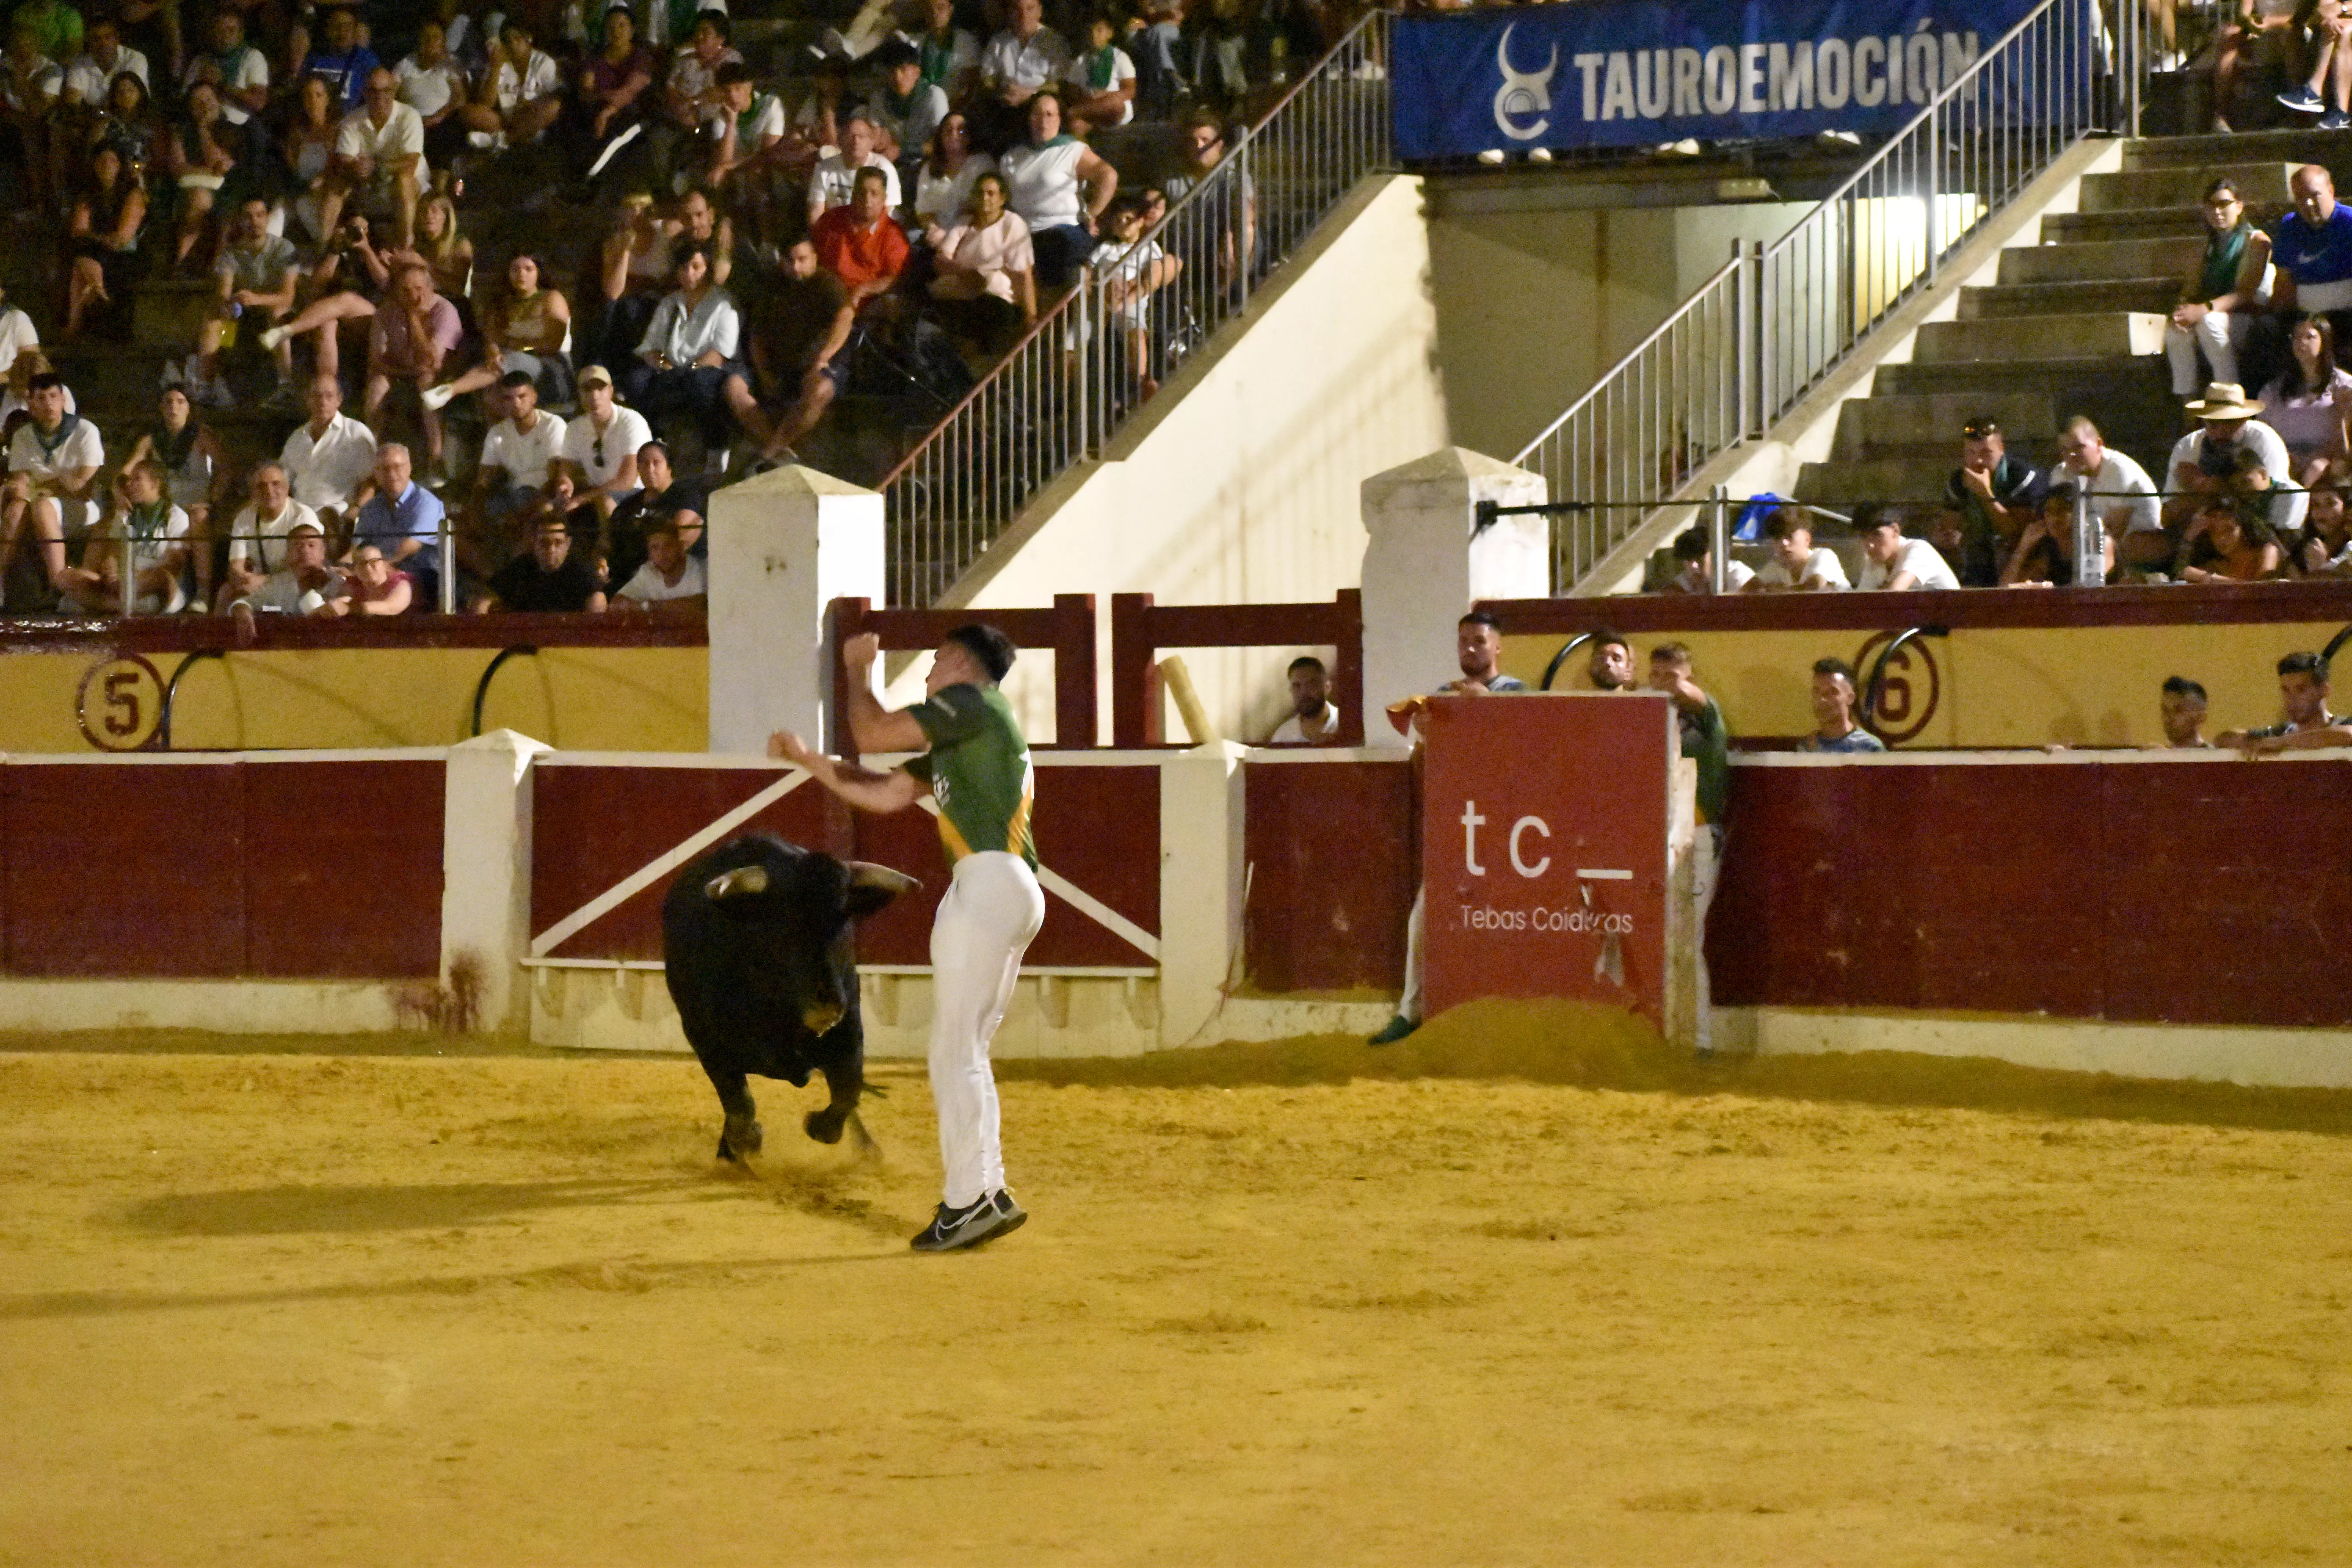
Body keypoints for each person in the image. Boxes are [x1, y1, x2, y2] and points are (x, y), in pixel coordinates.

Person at [768, 622, 1042, 1252]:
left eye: (937, 661)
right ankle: (986, 1190)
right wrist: (811, 761)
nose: (927, 673)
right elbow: (889, 794)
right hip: (1008, 885)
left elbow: (871, 733)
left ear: (964, 666)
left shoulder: (971, 704)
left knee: (955, 1049)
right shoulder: (970, 730)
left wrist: (860, 672)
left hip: (988, 881)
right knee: (965, 1048)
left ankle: (967, 1202)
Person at [1369, 610, 1528, 1048]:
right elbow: (1428, 762)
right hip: (1459, 827)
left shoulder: (1516, 692)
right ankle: (1411, 1011)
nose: (1470, 649)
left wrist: (1483, 704)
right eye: (1463, 641)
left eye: (1479, 641)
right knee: (1426, 915)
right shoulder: (1443, 696)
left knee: (1511, 921)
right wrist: (1425, 731)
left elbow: (1527, 744)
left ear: (1499, 646)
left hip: (1513, 829)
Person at [1649, 642, 1728, 1054]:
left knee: (1687, 939)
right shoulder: (1645, 721)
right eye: (1656, 675)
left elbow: (1698, 700)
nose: (1664, 683)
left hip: (1696, 838)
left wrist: (1672, 690)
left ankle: (1699, 1039)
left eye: (1672, 674)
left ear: (1689, 677)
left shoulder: (1705, 715)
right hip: (1654, 839)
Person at [628, 237, 762, 462]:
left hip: (706, 371)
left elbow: (719, 354)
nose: (690, 273)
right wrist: (664, 365)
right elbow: (650, 346)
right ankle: (653, 445)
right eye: (684, 267)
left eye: (696, 267)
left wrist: (688, 370)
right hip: (670, 369)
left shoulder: (723, 304)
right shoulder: (670, 303)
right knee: (635, 381)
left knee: (699, 384)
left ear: (707, 269)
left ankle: (717, 449)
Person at [744, 237, 854, 467]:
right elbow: (757, 335)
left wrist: (824, 356)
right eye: (790, 261)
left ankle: (767, 456)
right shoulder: (772, 284)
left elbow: (846, 318)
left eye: (802, 260)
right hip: (782, 369)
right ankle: (782, 453)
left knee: (820, 390)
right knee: (736, 390)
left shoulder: (827, 283)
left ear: (814, 258)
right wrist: (764, 374)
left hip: (820, 367)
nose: (796, 267)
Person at [421, 250, 572, 408]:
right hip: (505, 364)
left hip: (549, 367)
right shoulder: (502, 303)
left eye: (528, 269)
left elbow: (552, 345)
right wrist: (493, 352)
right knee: (491, 393)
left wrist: (516, 345)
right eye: (515, 270)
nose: (521, 274)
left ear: (539, 273)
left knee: (514, 360)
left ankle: (450, 390)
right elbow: (492, 337)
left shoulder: (551, 298)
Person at [0, 372, 102, 606]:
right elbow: (21, 483)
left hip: (80, 507)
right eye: (41, 398)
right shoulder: (24, 436)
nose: (48, 404)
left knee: (44, 506)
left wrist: (43, 487)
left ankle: (58, 586)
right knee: (16, 509)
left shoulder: (85, 431)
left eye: (53, 396)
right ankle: (2, 584)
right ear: (30, 403)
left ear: (63, 400)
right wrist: (30, 489)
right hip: (40, 501)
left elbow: (81, 487)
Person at [2167, 178, 2272, 399]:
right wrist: (2182, 311)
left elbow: (2246, 293)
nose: (2217, 211)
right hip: (2212, 313)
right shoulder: (2207, 247)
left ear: (2239, 206)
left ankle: (2229, 396)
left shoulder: (2257, 241)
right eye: (2211, 206)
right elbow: (2191, 289)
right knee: (2176, 329)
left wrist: (2203, 309)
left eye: (2224, 204)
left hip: (2248, 317)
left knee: (2209, 322)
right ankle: (2188, 401)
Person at [190, 195, 299, 407]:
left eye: (260, 215)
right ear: (240, 221)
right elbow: (224, 293)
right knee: (216, 320)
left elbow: (288, 296)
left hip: (272, 310)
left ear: (267, 218)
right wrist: (229, 304)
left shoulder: (284, 249)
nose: (255, 222)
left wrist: (257, 299)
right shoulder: (231, 253)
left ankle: (286, 386)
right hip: (240, 318)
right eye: (248, 217)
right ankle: (207, 385)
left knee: (279, 314)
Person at [118, 383, 223, 601]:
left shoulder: (201, 436)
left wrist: (212, 499)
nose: (173, 407)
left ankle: (203, 594)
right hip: (164, 506)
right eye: (168, 401)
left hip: (195, 506)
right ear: (160, 407)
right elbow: (128, 470)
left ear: (189, 408)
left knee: (199, 518)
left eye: (180, 401)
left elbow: (227, 469)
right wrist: (118, 490)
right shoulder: (150, 440)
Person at [998, 91, 1115, 289]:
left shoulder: (1071, 149)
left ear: (1059, 119)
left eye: (1050, 114)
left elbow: (1108, 176)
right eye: (1037, 114)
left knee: (1056, 250)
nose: (1043, 120)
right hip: (1023, 232)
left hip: (1062, 230)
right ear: (1029, 118)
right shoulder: (1013, 156)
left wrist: (1091, 213)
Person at [2254, 164, 2352, 394]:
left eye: (2315, 195)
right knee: (2264, 332)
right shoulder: (2290, 226)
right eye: (2301, 198)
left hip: (2346, 314)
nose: (2308, 204)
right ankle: (2264, 406)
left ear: (2331, 191)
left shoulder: (2350, 223)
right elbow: (2285, 281)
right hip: (2304, 312)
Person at [2165, 381, 2305, 539]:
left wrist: (2206, 488)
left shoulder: (2264, 440)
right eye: (2213, 423)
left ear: (2245, 419)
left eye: (2229, 422)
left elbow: (2271, 498)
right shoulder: (2187, 446)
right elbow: (2169, 512)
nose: (2220, 431)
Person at [924, 171, 1034, 354]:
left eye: (991, 193)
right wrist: (964, 273)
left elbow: (1023, 274)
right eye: (980, 193)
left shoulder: (1013, 225)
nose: (985, 198)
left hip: (997, 300)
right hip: (960, 293)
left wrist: (1031, 317)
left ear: (1002, 198)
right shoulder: (964, 223)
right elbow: (942, 260)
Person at [57, 456, 185, 614]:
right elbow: (113, 554)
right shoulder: (125, 514)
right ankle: (118, 606)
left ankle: (99, 604)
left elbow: (173, 566)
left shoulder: (176, 517)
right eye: (129, 480)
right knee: (64, 577)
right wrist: (113, 571)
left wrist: (133, 577)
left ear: (155, 484)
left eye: (137, 480)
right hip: (120, 584)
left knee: (161, 577)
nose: (129, 485)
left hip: (148, 585)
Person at [317, 67, 425, 250]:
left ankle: (406, 247)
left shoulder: (410, 117)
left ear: (394, 92)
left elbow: (411, 163)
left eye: (386, 91)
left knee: (404, 181)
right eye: (374, 91)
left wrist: (376, 166)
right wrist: (355, 167)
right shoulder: (352, 120)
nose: (379, 96)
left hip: (407, 183)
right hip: (366, 184)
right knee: (334, 185)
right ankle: (325, 247)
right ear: (365, 93)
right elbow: (344, 160)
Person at [1936, 416, 2045, 586]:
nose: (1978, 461)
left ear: (2001, 449)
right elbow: (1950, 527)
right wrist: (1948, 537)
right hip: (1976, 562)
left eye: (1985, 453)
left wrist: (1985, 494)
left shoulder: (2022, 477)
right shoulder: (1959, 481)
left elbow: (2016, 533)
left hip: (2022, 560)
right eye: (1970, 453)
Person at [2053, 416, 2164, 570]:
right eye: (2065, 450)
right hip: (2090, 550)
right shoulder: (2061, 474)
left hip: (2137, 549)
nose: (2071, 455)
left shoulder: (2120, 471)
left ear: (2099, 445)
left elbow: (2113, 531)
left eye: (2079, 447)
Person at [2258, 312, 2352, 487]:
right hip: (2285, 457)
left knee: (2316, 469)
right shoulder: (2275, 389)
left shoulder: (2343, 385)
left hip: (2325, 459)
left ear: (2324, 342)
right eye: (2297, 337)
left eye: (2310, 337)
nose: (2302, 343)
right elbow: (2264, 429)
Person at [63, 142, 146, 340]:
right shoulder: (88, 196)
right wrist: (99, 239)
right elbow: (78, 230)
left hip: (126, 255)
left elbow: (122, 238)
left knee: (81, 263)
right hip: (97, 251)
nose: (106, 165)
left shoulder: (134, 195)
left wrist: (96, 238)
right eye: (101, 160)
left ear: (120, 166)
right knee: (84, 257)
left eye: (112, 160)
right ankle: (98, 292)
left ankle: (75, 324)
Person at [348, 442, 445, 609]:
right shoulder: (371, 508)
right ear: (376, 474)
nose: (392, 474)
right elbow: (358, 547)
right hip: (376, 573)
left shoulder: (426, 502)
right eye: (385, 469)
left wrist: (383, 565)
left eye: (398, 467)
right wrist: (345, 568)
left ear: (409, 469)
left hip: (421, 576)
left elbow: (411, 545)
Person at [278, 374, 376, 537]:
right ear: (308, 400)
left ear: (339, 400)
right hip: (299, 516)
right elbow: (282, 480)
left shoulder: (356, 433)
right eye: (317, 396)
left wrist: (356, 510)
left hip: (338, 516)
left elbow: (371, 481)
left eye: (329, 396)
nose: (322, 402)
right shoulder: (297, 437)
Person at [470, 370, 566, 532]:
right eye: (508, 398)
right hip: (513, 496)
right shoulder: (498, 432)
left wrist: (523, 513)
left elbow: (556, 478)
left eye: (522, 397)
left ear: (534, 397)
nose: (516, 404)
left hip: (544, 496)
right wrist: (474, 508)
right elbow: (484, 479)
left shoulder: (553, 425)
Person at [217, 461, 320, 608]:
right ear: (253, 492)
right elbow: (236, 565)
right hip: (256, 583)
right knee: (226, 593)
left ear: (287, 488)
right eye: (261, 486)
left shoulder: (303, 517)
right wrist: (244, 579)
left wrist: (264, 581)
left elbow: (308, 567)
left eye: (276, 484)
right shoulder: (244, 518)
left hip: (296, 582)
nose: (269, 491)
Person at [559, 363, 655, 518]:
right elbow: (566, 470)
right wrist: (565, 485)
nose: (594, 395)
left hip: (634, 494)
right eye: (587, 389)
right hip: (595, 492)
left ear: (611, 391)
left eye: (600, 388)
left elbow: (627, 481)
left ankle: (607, 543)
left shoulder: (632, 422)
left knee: (605, 501)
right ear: (580, 394)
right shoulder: (574, 427)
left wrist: (581, 500)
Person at [811, 165, 909, 312]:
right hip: (825, 291)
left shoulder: (894, 234)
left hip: (862, 302)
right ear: (853, 194)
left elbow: (895, 278)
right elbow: (813, 252)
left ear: (884, 199)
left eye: (874, 194)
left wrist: (863, 290)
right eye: (862, 193)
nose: (867, 199)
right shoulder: (832, 219)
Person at [2216, 650, 2352, 754]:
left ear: (2324, 690)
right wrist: (2251, 742)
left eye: (2301, 690)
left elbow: (2348, 735)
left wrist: (2283, 742)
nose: (2292, 699)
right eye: (2286, 690)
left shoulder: (2343, 725)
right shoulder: (2281, 732)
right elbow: (2223, 740)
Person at [459, 18, 561, 152]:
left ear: (528, 40)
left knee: (554, 107)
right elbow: (485, 104)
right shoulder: (500, 63)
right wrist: (495, 68)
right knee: (469, 112)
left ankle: (505, 140)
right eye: (508, 41)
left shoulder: (544, 62)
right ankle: (507, 138)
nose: (513, 44)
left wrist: (531, 105)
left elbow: (555, 96)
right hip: (507, 122)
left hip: (532, 119)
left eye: (517, 39)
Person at [978, 0, 1069, 148]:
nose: (1023, 15)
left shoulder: (1054, 42)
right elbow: (987, 78)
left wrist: (1031, 94)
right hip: (1004, 105)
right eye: (1017, 9)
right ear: (1010, 12)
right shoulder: (998, 42)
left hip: (1039, 105)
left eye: (1030, 9)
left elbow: (1061, 84)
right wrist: (1003, 90)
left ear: (1039, 11)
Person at [477, 510, 604, 613]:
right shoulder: (520, 568)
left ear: (568, 544)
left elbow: (598, 600)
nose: (551, 549)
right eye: (544, 543)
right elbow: (486, 598)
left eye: (558, 543)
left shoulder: (582, 570)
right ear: (534, 543)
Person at [226, 515, 347, 619]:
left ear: (322, 552)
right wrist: (243, 611)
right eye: (298, 545)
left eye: (311, 545)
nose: (305, 550)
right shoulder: (277, 584)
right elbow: (245, 604)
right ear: (288, 553)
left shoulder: (337, 582)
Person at [2002, 483, 2115, 586]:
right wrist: (2023, 548)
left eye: (2062, 511)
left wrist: (2052, 593)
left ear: (2080, 514)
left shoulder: (2099, 542)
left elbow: (2089, 586)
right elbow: (2005, 589)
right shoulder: (2048, 547)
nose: (2055, 519)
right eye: (2050, 511)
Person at [806, 109, 900, 221]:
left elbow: (886, 214)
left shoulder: (885, 169)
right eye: (850, 136)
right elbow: (816, 213)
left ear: (871, 143)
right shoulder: (824, 169)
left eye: (862, 137)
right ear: (840, 140)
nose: (856, 142)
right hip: (834, 230)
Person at [911, 109, 994, 235]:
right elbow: (923, 210)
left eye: (961, 130)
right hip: (938, 234)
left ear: (970, 135)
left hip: (973, 233)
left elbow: (988, 207)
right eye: (948, 130)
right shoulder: (930, 167)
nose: (954, 135)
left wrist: (954, 237)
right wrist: (935, 231)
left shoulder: (983, 164)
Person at [867, 38, 946, 164]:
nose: (898, 77)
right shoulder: (879, 99)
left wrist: (902, 150)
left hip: (926, 164)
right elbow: (875, 135)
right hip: (889, 164)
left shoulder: (935, 96)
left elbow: (941, 143)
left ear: (917, 72)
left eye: (904, 69)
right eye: (892, 71)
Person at [2176, 494, 2283, 583]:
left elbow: (2262, 591)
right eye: (2214, 531)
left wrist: (2211, 578)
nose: (2221, 538)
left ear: (2243, 529)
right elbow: (2179, 573)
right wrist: (2189, 538)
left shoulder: (2266, 552)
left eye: (2229, 530)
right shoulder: (2216, 565)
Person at [610, 514, 704, 612]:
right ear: (649, 553)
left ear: (680, 547)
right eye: (655, 548)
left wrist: (648, 607)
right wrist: (648, 606)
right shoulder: (648, 571)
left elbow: (700, 605)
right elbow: (616, 603)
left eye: (668, 545)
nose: (662, 553)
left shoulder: (697, 569)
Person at [1062, 7, 1136, 132]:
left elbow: (1130, 90)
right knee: (1076, 126)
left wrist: (1106, 96)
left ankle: (1075, 112)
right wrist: (1090, 100)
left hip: (1113, 108)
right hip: (1089, 107)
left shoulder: (1120, 57)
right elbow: (1072, 90)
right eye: (1091, 32)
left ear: (1110, 33)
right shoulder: (1081, 60)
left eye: (1100, 31)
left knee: (1115, 103)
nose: (1094, 36)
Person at [1746, 506, 1849, 591]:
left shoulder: (1825, 556)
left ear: (1807, 539)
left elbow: (1815, 586)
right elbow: (1748, 589)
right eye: (1777, 538)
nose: (1784, 544)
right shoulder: (1777, 566)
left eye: (1790, 537)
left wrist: (1777, 591)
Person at [296, 5, 377, 112]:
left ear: (355, 30)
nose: (342, 32)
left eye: (348, 26)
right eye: (337, 26)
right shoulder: (314, 59)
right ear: (328, 30)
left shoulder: (367, 61)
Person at [1856, 510, 1961, 591]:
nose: (1871, 545)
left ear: (1895, 531)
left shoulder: (1919, 549)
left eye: (1877, 535)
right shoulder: (1875, 561)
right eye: (1864, 537)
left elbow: (1893, 595)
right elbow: (1860, 601)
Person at [1799, 657, 1884, 753]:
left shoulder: (1870, 747)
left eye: (1832, 692)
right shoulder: (1807, 747)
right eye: (1817, 691)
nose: (1822, 699)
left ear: (1850, 698)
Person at [1265, 655, 1339, 743]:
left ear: (1327, 687)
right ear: (1291, 691)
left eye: (1311, 684)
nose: (1304, 692)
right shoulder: (1283, 736)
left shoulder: (1346, 724)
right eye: (1297, 686)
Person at [1660, 524, 1752, 593]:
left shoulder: (1739, 576)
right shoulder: (1680, 586)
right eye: (1688, 560)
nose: (1694, 566)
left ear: (1716, 555)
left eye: (1699, 559)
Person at [327, 542, 413, 615]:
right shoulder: (354, 585)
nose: (368, 568)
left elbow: (390, 607)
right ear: (354, 569)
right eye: (362, 564)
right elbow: (342, 600)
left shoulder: (400, 584)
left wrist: (349, 608)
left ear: (385, 564)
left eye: (374, 562)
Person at [2158, 675, 2213, 749]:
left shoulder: (2215, 759)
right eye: (2166, 711)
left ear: (2201, 717)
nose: (2168, 718)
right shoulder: (2157, 756)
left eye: (2178, 711)